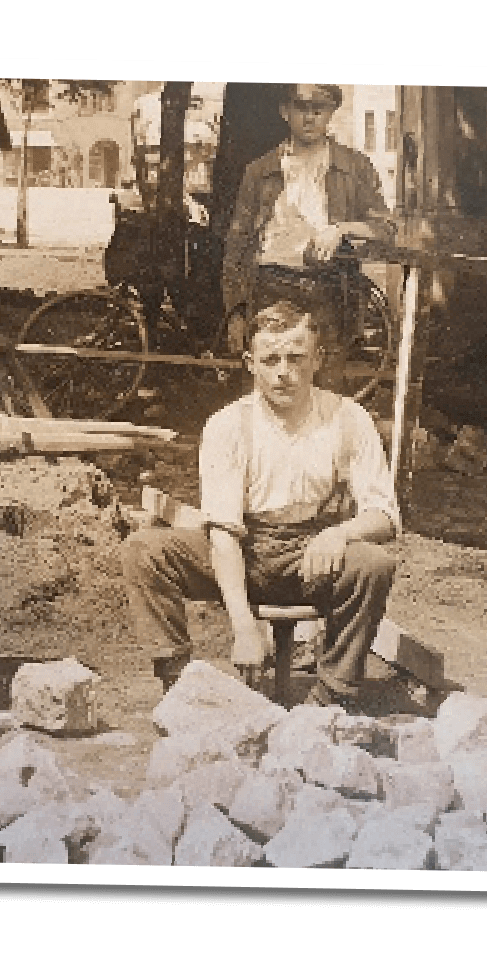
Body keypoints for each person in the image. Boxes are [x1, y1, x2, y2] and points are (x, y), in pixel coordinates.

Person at [122, 299, 399, 708]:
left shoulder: (348, 418)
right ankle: (182, 689)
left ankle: (331, 700)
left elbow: (385, 515)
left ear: (317, 359)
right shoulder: (228, 424)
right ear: (250, 363)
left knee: (374, 565)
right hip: (243, 551)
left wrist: (340, 533)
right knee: (143, 550)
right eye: (270, 360)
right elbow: (223, 534)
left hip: (312, 558)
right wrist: (244, 626)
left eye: (295, 358)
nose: (283, 373)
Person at [221, 83, 396, 392]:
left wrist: (341, 229)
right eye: (301, 108)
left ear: (330, 113)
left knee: (326, 393)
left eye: (320, 110)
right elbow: (237, 244)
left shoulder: (354, 167)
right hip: (270, 290)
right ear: (284, 112)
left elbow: (385, 229)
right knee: (273, 389)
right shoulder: (259, 172)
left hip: (329, 293)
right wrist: (236, 309)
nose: (311, 118)